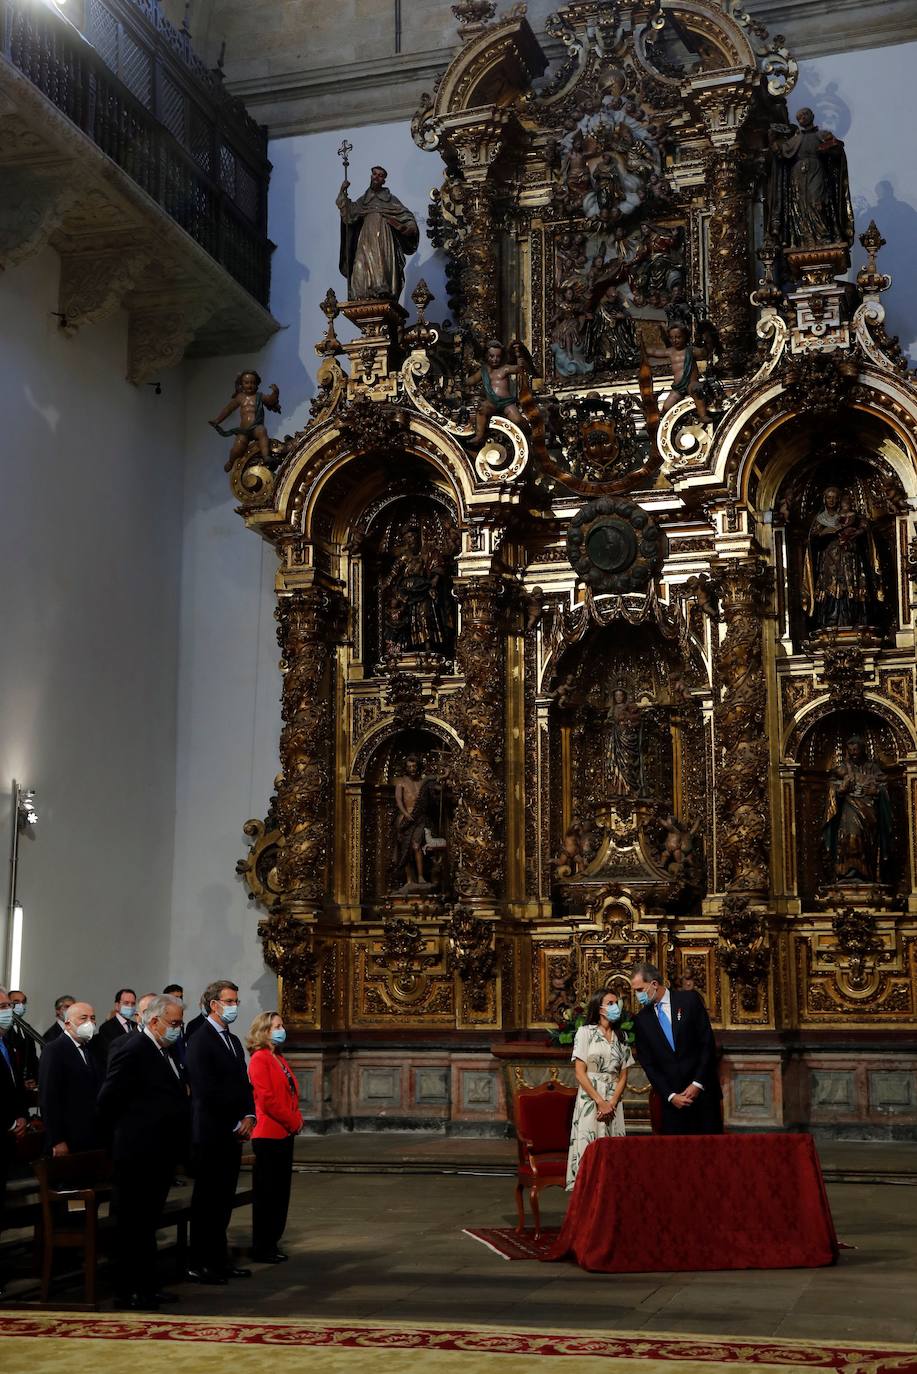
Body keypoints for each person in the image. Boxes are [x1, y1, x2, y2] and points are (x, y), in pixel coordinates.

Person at [97, 995, 189, 1310]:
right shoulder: (133, 1048)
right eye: (173, 1024)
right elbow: (109, 1098)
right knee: (131, 1225)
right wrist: (132, 1128)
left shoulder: (166, 1049)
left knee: (148, 1224)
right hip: (136, 1153)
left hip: (159, 1153)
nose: (177, 1029)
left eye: (179, 1024)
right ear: (153, 1021)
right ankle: (127, 1289)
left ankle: (148, 1285)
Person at [185, 980, 256, 1284]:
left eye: (236, 1001)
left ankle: (220, 1259)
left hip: (233, 1132)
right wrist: (232, 1120)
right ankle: (201, 1262)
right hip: (213, 1132)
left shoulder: (233, 1040)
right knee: (207, 1202)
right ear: (214, 1004)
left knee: (224, 1200)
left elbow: (243, 1082)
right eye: (230, 1001)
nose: (235, 1006)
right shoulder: (201, 1040)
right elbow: (205, 1089)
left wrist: (249, 1114)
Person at [630, 960, 722, 1135]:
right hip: (673, 1104)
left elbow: (706, 1043)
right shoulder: (642, 1020)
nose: (637, 996)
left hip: (703, 1096)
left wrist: (697, 1083)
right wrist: (671, 1095)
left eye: (640, 990)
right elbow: (648, 1064)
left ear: (654, 984)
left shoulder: (689, 1000)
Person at [247, 1011, 302, 1263]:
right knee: (268, 1194)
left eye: (282, 1025)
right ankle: (263, 1245)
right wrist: (292, 1121)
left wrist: (295, 1117)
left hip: (284, 1132)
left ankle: (272, 1242)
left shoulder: (277, 1057)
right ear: (265, 1031)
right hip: (269, 1134)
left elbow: (289, 1092)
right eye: (277, 1026)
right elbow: (268, 1100)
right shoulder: (260, 1059)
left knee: (280, 1193)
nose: (282, 1029)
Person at [566, 989, 633, 1190]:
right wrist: (600, 1101)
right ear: (600, 1007)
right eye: (611, 1003)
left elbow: (624, 1075)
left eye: (617, 1003)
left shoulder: (622, 1036)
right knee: (590, 1145)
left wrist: (611, 1102)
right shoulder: (585, 1032)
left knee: (614, 1148)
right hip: (591, 1098)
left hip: (613, 1101)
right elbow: (580, 1072)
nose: (616, 1007)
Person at [337, 164, 419, 301]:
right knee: (359, 264)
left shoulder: (390, 200)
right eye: (375, 174)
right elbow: (349, 215)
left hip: (383, 236)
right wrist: (342, 192)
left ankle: (381, 289)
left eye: (380, 176)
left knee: (380, 261)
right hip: (365, 238)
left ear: (384, 181)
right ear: (371, 176)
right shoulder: (364, 200)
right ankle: (360, 292)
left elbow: (406, 216)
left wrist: (404, 227)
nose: (376, 177)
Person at [38, 1002, 102, 1154]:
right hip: (68, 1136)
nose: (90, 1023)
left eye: (92, 1018)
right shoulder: (54, 1050)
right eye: (83, 1018)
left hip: (91, 1135)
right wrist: (57, 1140)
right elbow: (48, 1098)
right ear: (68, 1024)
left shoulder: (90, 1049)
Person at [0, 988, 27, 1296]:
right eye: (4, 1006)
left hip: (8, 1138)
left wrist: (20, 1117)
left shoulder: (7, 1042)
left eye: (9, 1005)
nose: (8, 1010)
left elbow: (14, 1085)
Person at [209, 371, 281, 472]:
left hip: (256, 427)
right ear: (242, 384)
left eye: (252, 382)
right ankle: (231, 461)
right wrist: (217, 420)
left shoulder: (259, 396)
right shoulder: (240, 398)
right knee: (237, 447)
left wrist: (275, 393)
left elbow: (270, 401)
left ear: (256, 384)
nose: (250, 385)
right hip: (244, 430)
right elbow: (228, 409)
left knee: (262, 431)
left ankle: (266, 456)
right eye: (247, 383)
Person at [94, 988, 139, 1066]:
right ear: (117, 1005)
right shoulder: (106, 1027)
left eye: (133, 1003)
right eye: (126, 1003)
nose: (130, 1006)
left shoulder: (136, 1025)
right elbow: (112, 1054)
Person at [8, 991, 39, 1091]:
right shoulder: (3, 1029)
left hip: (26, 1088)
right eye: (16, 1002)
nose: (20, 1005)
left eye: (23, 1002)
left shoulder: (26, 1028)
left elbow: (32, 1056)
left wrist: (34, 1078)